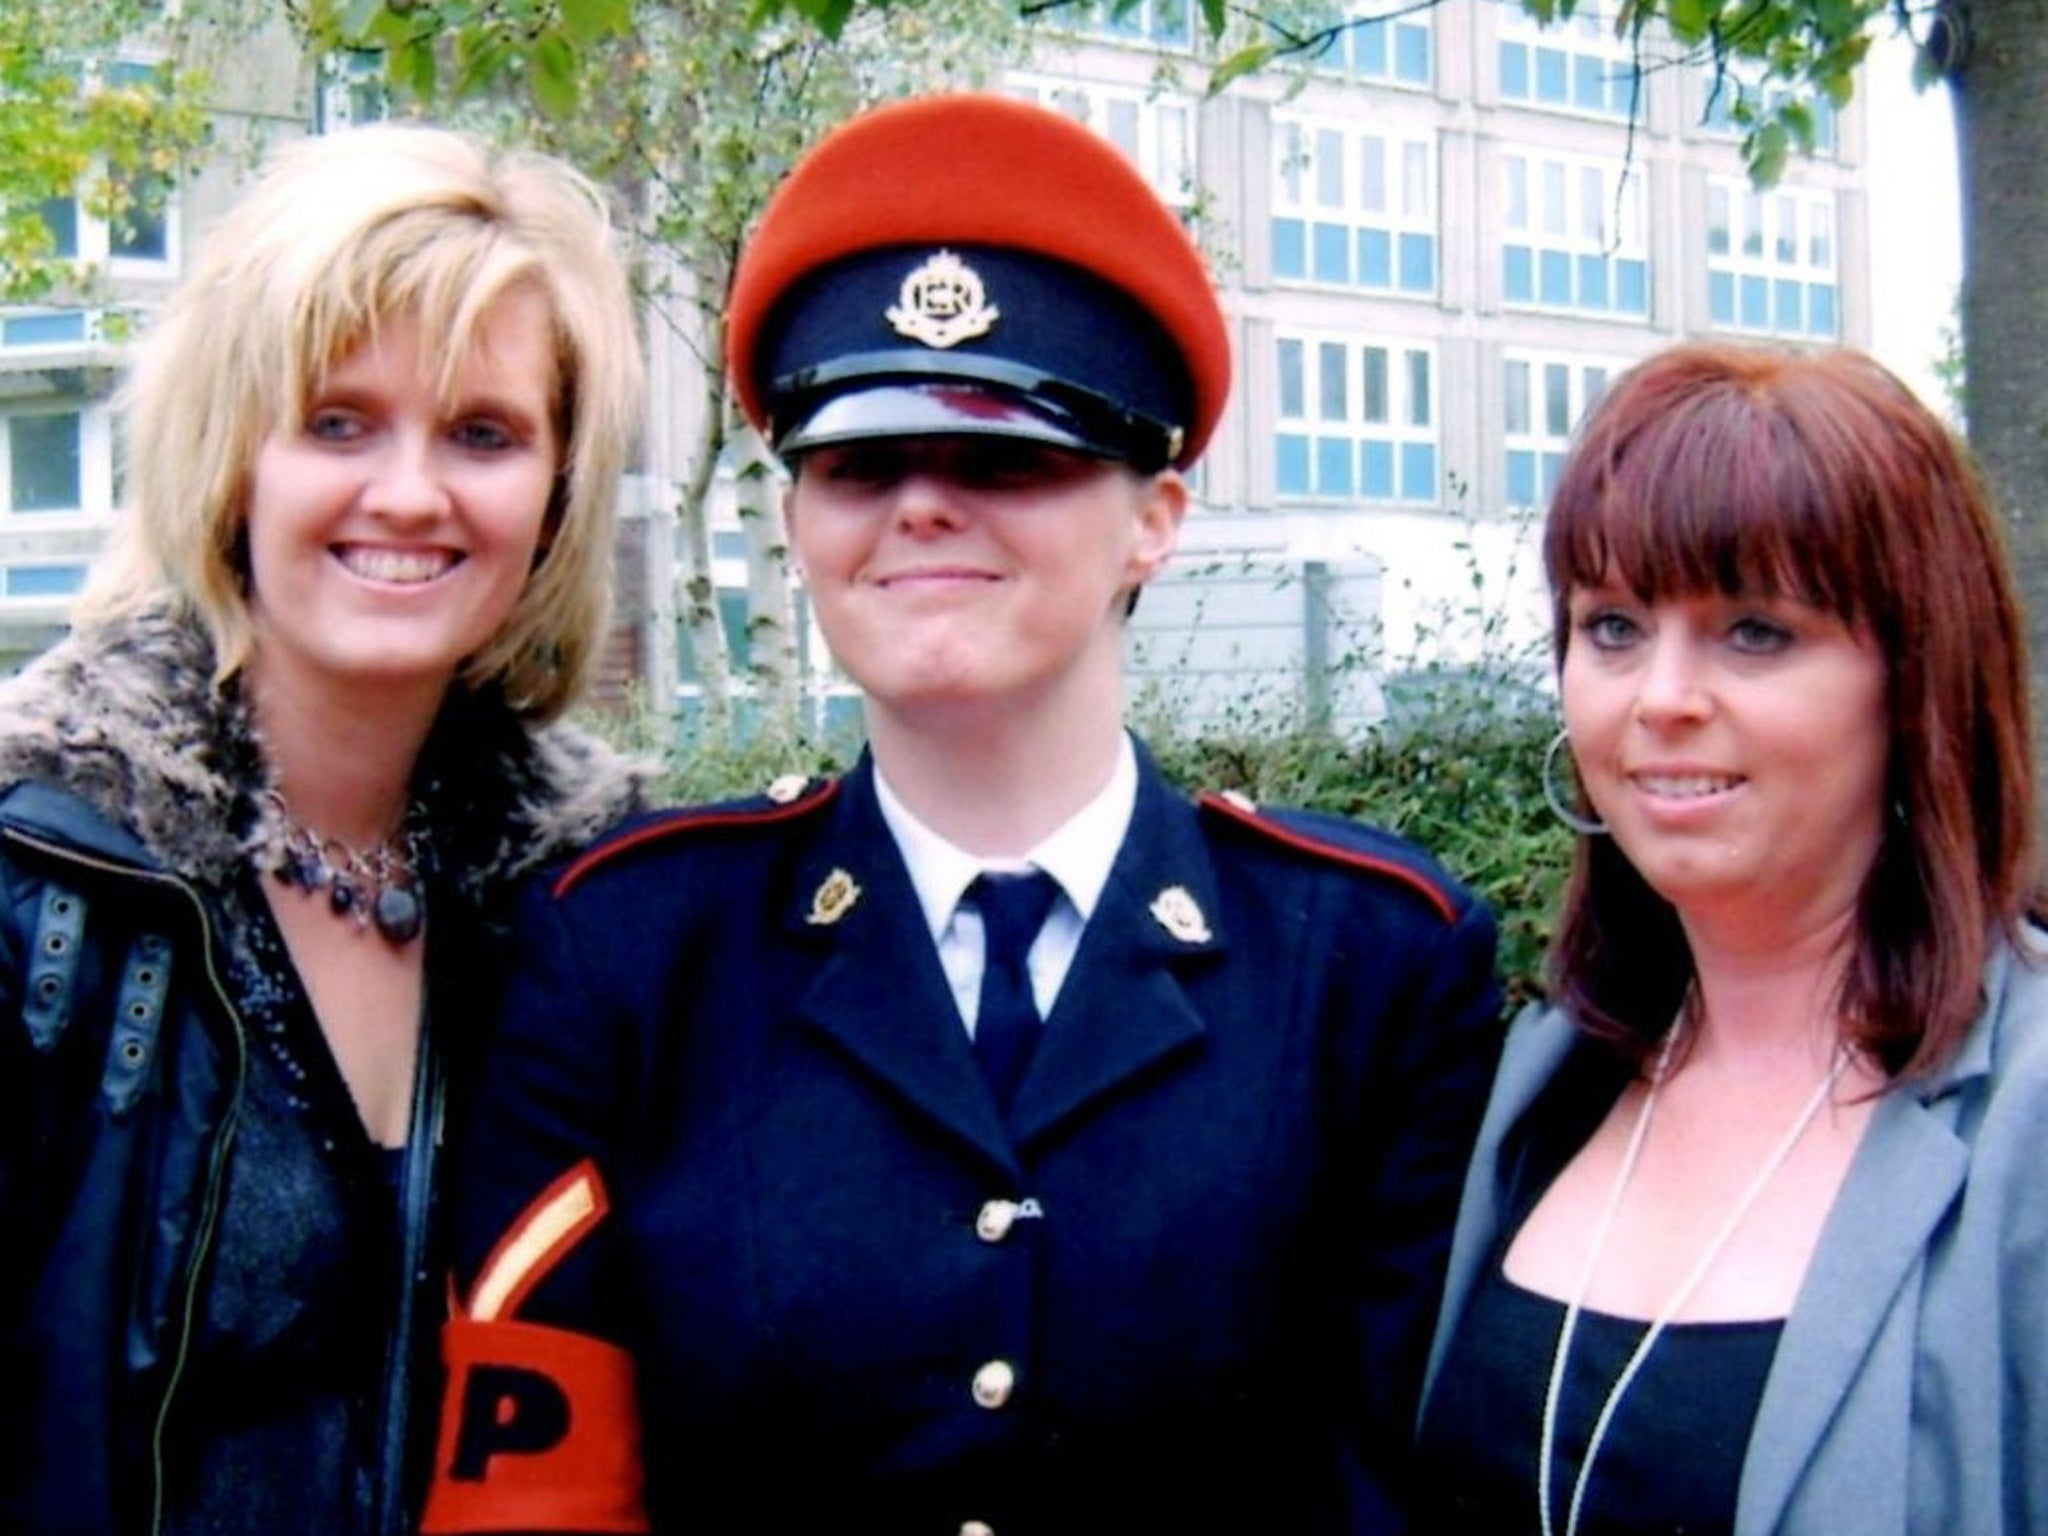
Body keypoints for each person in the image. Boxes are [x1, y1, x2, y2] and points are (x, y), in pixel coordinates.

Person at [422, 92, 1503, 1536]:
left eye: (1008, 460)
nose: (923, 508)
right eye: (861, 464)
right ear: (798, 521)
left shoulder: (1372, 964)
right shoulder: (628, 950)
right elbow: (530, 1502)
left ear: (1156, 517)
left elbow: (1405, 1489)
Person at [0, 123, 649, 1536]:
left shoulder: (588, 905)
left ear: (552, 500)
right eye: (338, 421)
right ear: (234, 459)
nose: (410, 493)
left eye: (482, 433)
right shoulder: (40, 880)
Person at [1414, 343, 2048, 1535]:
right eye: (1610, 626)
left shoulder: (2026, 1114)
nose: (1659, 696)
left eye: (1752, 630)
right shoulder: (1536, 1078)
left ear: (1915, 678)